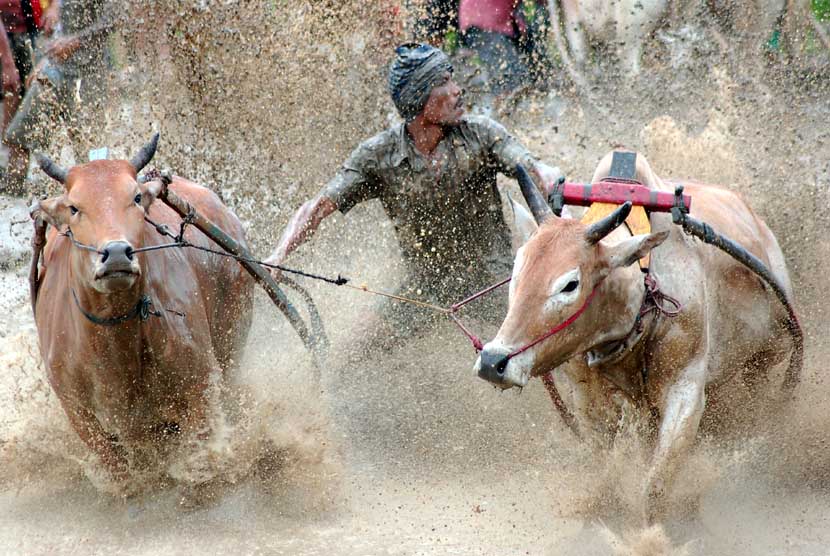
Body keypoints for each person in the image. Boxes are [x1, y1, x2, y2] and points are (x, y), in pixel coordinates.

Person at [266, 43, 564, 361]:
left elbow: (533, 169)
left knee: (553, 344)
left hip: (492, 282)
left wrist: (549, 181)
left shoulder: (480, 134)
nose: (457, 90)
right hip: (425, 288)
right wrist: (279, 255)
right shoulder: (377, 155)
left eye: (453, 80)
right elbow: (317, 207)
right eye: (444, 83)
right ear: (420, 100)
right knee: (350, 360)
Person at [1, 0, 116, 195]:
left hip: (91, 71)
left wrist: (76, 41)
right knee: (18, 135)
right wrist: (44, 61)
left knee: (91, 147)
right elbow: (57, 28)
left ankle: (95, 198)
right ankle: (15, 191)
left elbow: (114, 19)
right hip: (57, 69)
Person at [458, 0, 551, 94]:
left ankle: (541, 91)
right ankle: (506, 102)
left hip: (497, 21)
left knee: (533, 62)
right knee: (511, 73)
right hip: (483, 23)